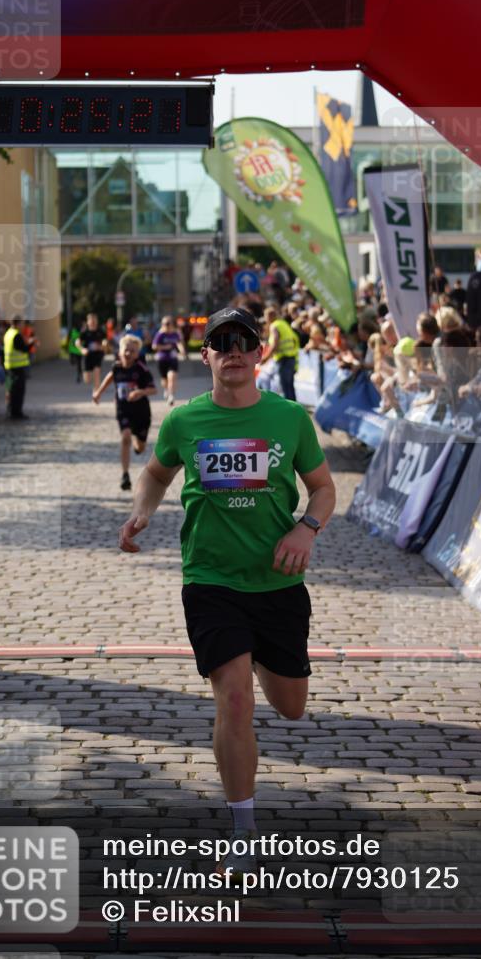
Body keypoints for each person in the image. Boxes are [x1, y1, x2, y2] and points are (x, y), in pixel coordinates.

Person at [118, 306, 336, 876]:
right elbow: (156, 474)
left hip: (278, 581)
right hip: (210, 579)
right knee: (234, 697)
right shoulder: (184, 422)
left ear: (260, 352)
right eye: (220, 342)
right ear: (206, 354)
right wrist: (141, 511)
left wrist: (306, 528)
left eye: (243, 340)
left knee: (290, 707)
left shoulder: (289, 418)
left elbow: (323, 489)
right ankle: (243, 829)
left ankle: (262, 654)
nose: (232, 349)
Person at [93, 335, 157, 491]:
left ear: (137, 354)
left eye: (132, 351)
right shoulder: (117, 367)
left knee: (140, 448)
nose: (128, 353)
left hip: (141, 413)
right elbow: (109, 378)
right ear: (120, 351)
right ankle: (125, 475)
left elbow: (153, 389)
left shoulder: (141, 368)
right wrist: (98, 393)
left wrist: (140, 392)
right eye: (125, 350)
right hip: (123, 410)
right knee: (125, 437)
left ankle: (138, 444)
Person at [259, 306, 300, 400]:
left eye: (265, 316)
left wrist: (265, 358)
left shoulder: (274, 326)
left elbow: (275, 344)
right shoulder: (284, 324)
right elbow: (295, 339)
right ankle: (294, 409)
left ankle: (288, 411)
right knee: (290, 387)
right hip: (291, 358)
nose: (265, 319)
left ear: (270, 316)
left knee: (285, 387)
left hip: (283, 360)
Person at [3, 315, 34, 419]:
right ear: (17, 323)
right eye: (22, 323)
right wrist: (32, 343)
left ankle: (11, 411)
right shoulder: (16, 335)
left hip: (9, 367)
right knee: (18, 391)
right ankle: (16, 412)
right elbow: (23, 349)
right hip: (17, 368)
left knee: (11, 390)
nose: (23, 325)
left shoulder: (8, 333)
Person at [152, 315, 186, 406]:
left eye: (168, 323)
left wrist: (182, 351)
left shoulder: (175, 334)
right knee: (164, 380)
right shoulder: (160, 334)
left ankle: (171, 396)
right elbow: (154, 346)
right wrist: (165, 347)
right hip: (162, 359)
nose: (166, 325)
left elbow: (179, 343)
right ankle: (166, 389)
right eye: (164, 324)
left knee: (172, 377)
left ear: (171, 324)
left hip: (172, 359)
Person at [76, 313, 107, 392]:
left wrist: (103, 345)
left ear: (97, 321)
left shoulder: (100, 331)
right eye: (91, 320)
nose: (93, 322)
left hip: (97, 354)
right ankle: (92, 380)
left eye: (94, 320)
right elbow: (77, 342)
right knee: (87, 379)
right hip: (87, 356)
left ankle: (96, 393)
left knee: (97, 372)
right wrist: (82, 349)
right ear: (88, 322)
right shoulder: (84, 332)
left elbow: (104, 340)